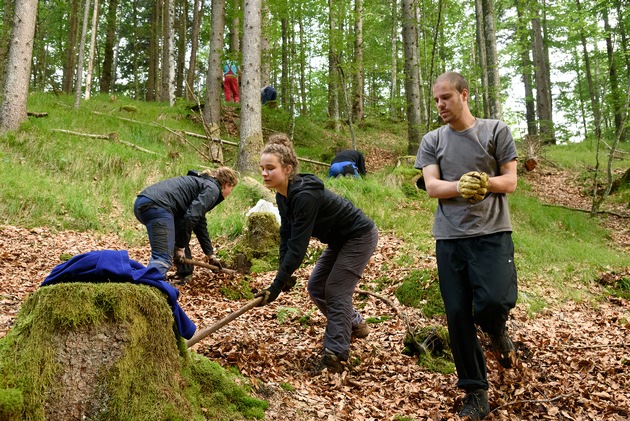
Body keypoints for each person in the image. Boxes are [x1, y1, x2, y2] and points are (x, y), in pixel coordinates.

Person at [414, 72, 518, 420]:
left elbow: (511, 181)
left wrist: (485, 182)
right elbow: (432, 186)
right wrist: (461, 186)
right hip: (450, 237)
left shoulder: (495, 131)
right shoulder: (432, 140)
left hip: (492, 233)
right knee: (457, 314)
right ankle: (475, 391)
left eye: (446, 97)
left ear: (464, 94)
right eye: (436, 100)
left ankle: (496, 329)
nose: (440, 105)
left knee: (493, 301)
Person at [257, 133, 379, 373]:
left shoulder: (304, 196)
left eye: (270, 168)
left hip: (359, 236)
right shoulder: (283, 196)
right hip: (339, 240)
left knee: (335, 289)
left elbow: (299, 247)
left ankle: (335, 354)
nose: (264, 173)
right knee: (315, 286)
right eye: (262, 168)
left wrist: (276, 285)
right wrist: (285, 273)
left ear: (288, 168)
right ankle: (353, 323)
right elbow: (286, 235)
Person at [134, 167, 238, 282]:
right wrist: (180, 247)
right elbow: (191, 217)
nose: (229, 194)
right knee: (162, 258)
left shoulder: (203, 184)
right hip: (158, 206)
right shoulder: (213, 189)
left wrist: (210, 255)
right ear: (227, 184)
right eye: (231, 189)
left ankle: (183, 274)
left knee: (179, 229)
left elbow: (199, 224)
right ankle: (149, 288)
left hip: (143, 202)